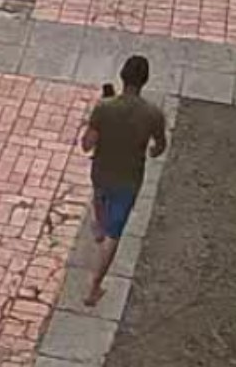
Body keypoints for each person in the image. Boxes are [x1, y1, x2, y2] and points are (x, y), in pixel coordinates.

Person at [80, 55, 167, 307]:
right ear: (145, 81)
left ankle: (98, 225)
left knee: (99, 197)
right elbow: (159, 146)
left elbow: (87, 145)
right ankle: (93, 287)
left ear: (122, 76)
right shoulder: (153, 114)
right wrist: (151, 151)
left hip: (101, 171)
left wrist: (95, 118)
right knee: (114, 235)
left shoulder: (104, 108)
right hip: (128, 179)